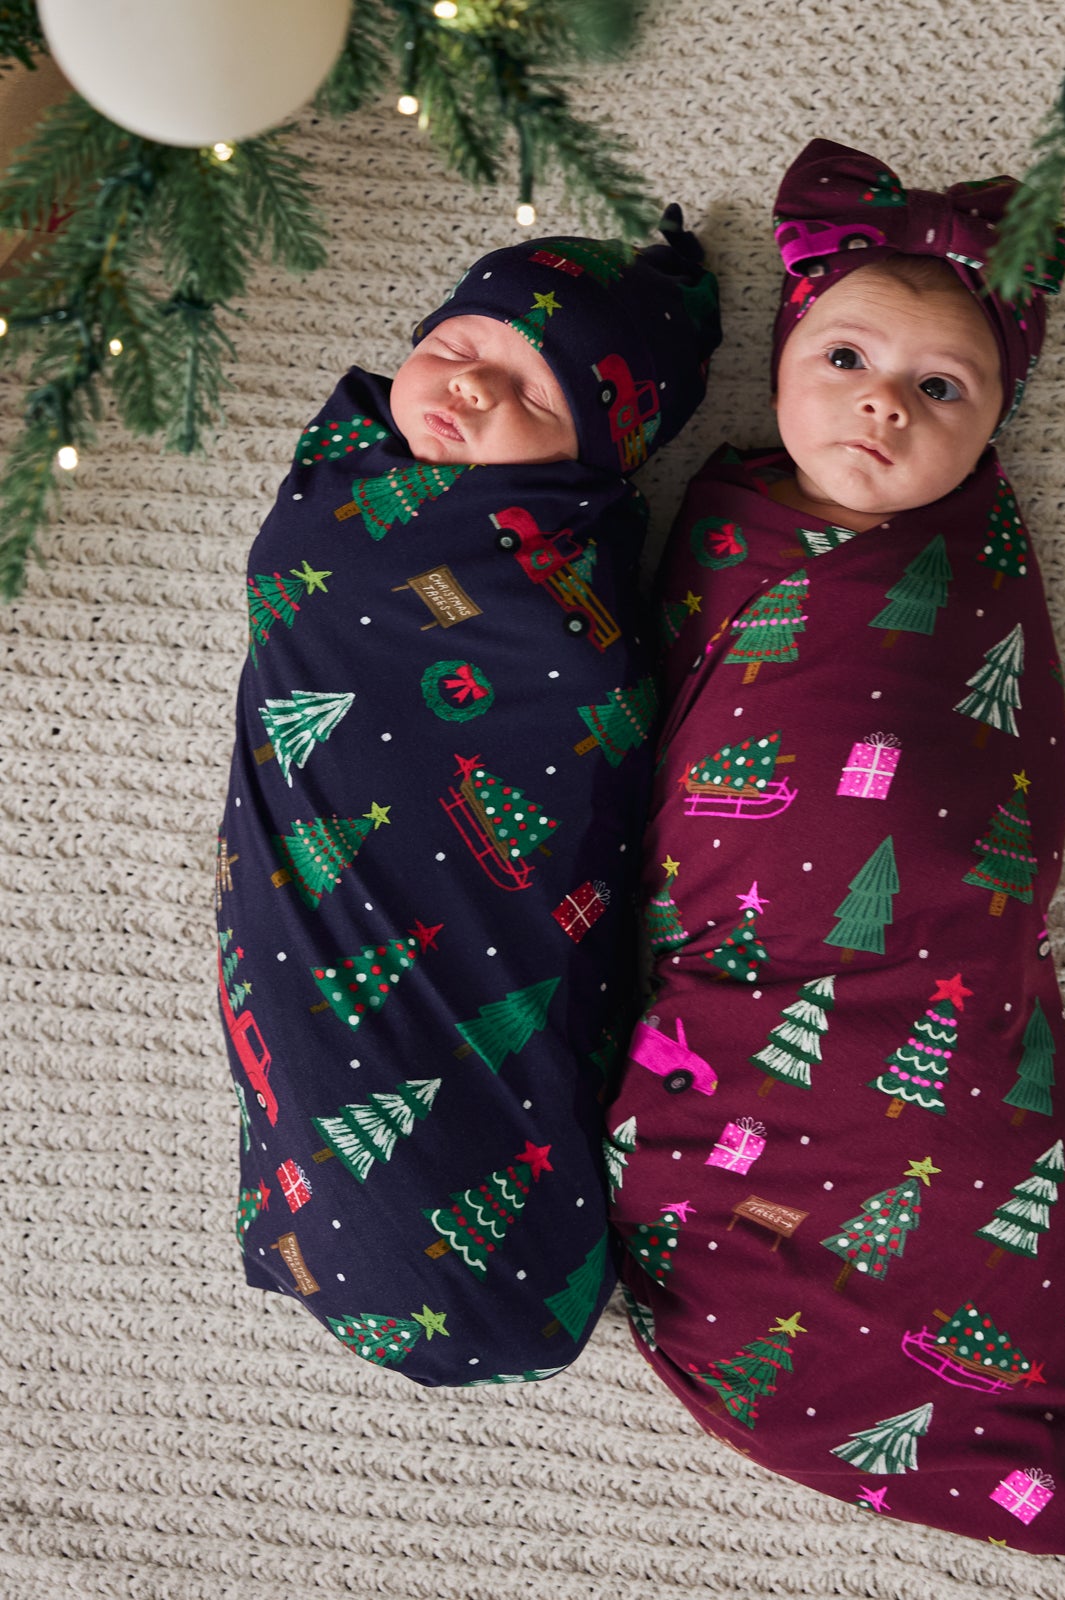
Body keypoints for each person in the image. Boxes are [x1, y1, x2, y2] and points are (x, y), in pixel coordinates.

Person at [606, 143, 1065, 1553]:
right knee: (709, 1127)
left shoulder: (974, 549)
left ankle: (1005, 1445)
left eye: (941, 387)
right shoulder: (719, 518)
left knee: (972, 1161)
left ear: (995, 427)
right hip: (741, 960)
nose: (883, 400)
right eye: (845, 357)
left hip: (932, 967)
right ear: (778, 368)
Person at [216, 210, 720, 1386]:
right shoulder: (338, 472)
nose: (470, 392)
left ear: (586, 468)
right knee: (330, 1029)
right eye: (454, 350)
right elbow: (296, 579)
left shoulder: (570, 563)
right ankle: (394, 1245)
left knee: (480, 1015)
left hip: (482, 881)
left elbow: (594, 707)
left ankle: (467, 1257)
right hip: (309, 859)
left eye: (530, 400)